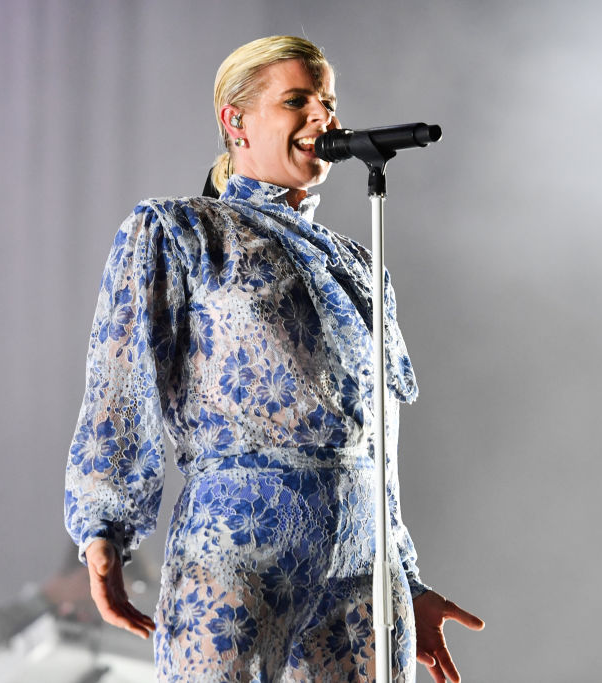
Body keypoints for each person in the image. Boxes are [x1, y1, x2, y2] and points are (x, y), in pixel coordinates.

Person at [64, 35, 483, 683]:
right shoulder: (180, 231)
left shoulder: (360, 264)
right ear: (236, 120)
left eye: (329, 103)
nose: (324, 118)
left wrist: (407, 571)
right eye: (298, 101)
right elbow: (120, 381)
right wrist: (104, 528)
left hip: (362, 568)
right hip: (238, 550)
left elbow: (375, 436)